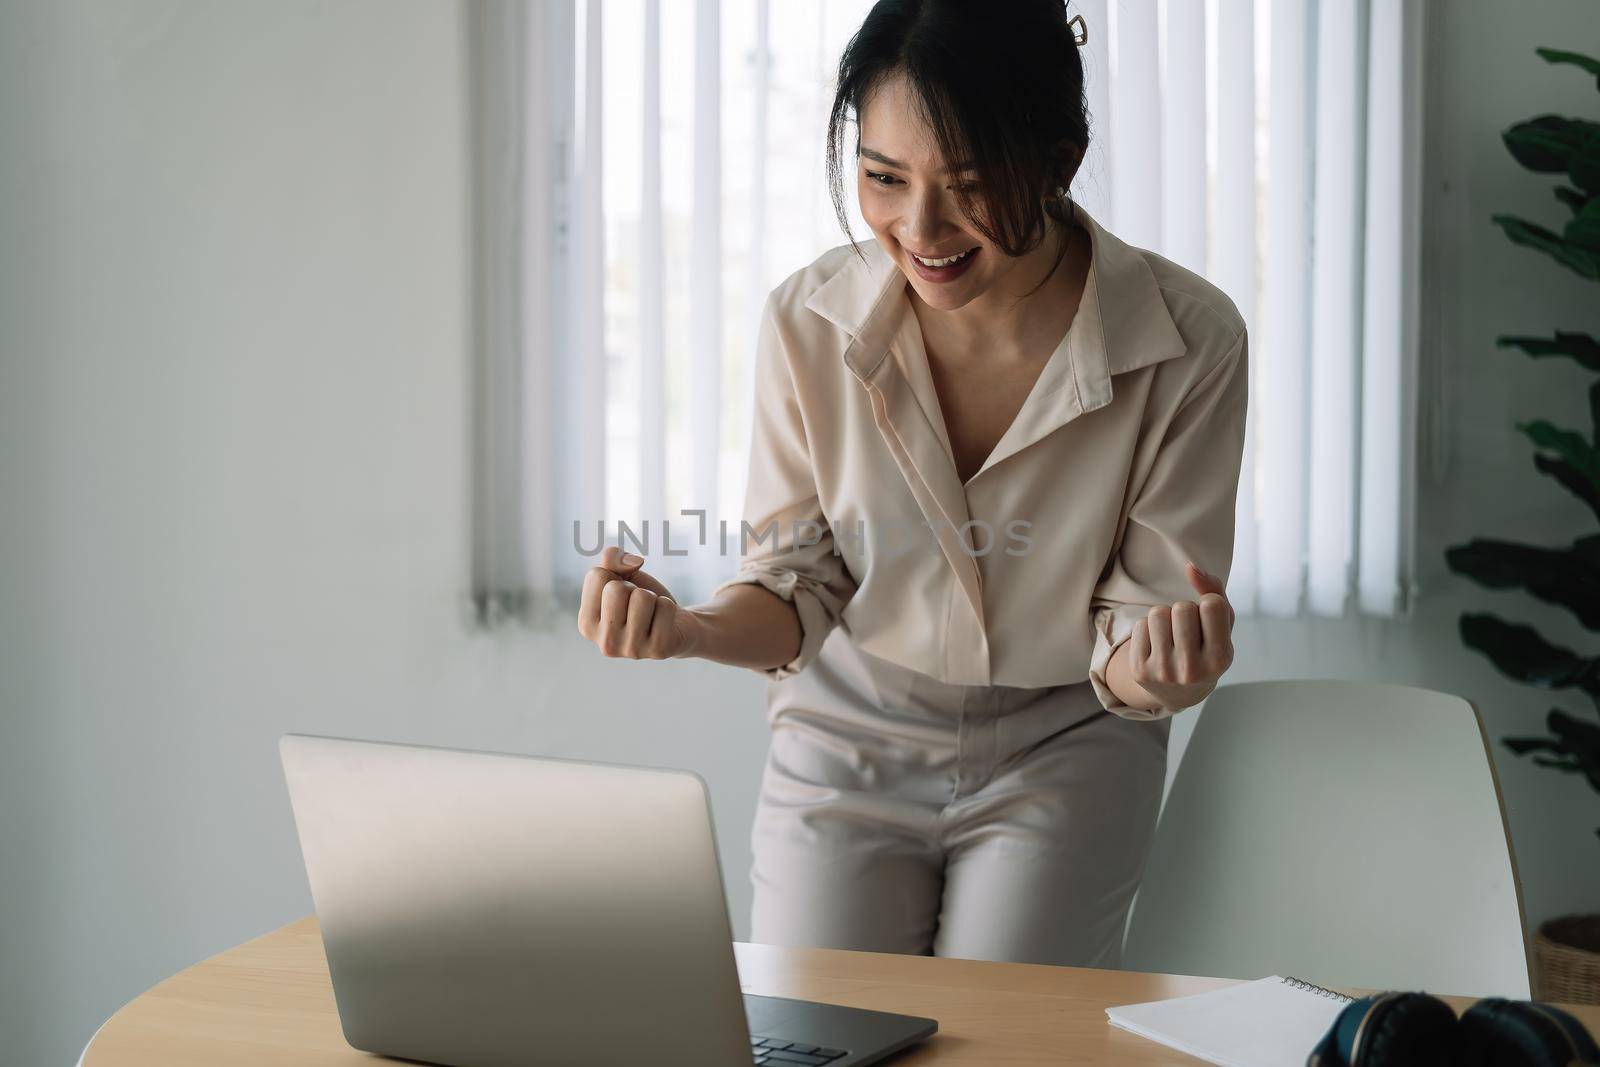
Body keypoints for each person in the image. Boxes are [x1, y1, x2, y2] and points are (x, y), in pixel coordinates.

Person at [575, 0, 1247, 970]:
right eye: (882, 178)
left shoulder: (1188, 338)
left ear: (1057, 163)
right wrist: (688, 628)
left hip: (1066, 740)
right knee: (813, 1029)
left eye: (967, 185)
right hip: (845, 730)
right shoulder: (808, 320)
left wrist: (1168, 669)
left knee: (1006, 1038)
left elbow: (1136, 626)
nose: (919, 226)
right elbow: (796, 586)